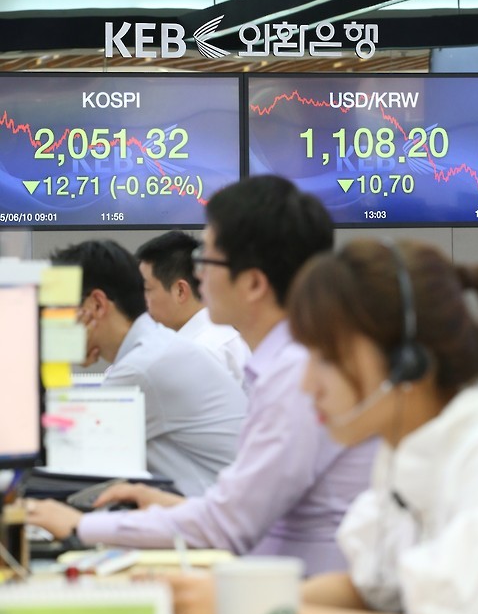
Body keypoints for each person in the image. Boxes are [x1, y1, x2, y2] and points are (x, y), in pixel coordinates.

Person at [157, 239, 478, 614]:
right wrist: (230, 599)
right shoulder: (406, 451)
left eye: (327, 359)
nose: (307, 383)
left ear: (406, 363)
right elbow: (367, 587)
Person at [27, 176, 376, 576]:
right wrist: (167, 506)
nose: (197, 277)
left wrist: (80, 526)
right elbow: (241, 512)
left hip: (295, 585)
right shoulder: (283, 365)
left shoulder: (294, 377)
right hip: (275, 569)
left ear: (253, 283)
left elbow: (231, 525)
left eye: (206, 260)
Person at [47, 239, 248, 496]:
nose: (54, 323)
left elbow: (65, 453)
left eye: (60, 309)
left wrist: (53, 359)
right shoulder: (155, 348)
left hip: (217, 514)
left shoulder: (142, 369)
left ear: (96, 305)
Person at [136, 231, 250, 386]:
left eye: (147, 289)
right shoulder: (210, 340)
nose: (142, 300)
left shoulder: (203, 351)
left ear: (180, 291)